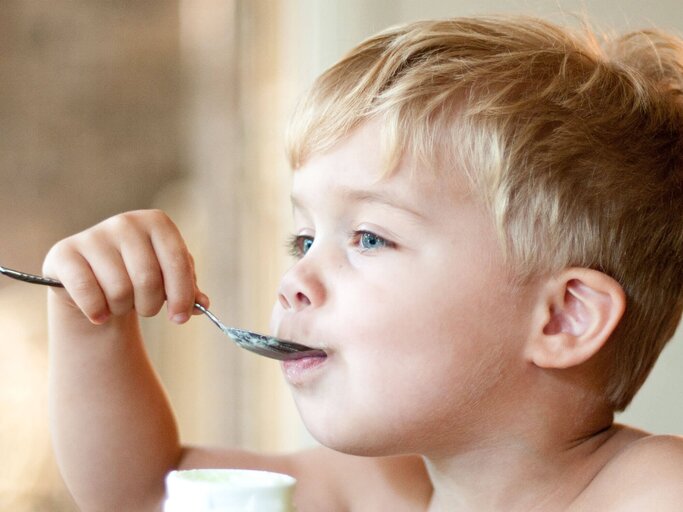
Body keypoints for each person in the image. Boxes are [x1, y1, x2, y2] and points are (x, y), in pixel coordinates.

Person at [44, 15, 683, 511]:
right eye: (303, 240)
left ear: (563, 318)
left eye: (369, 238)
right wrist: (91, 322)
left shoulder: (654, 492)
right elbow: (146, 496)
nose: (294, 282)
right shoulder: (377, 489)